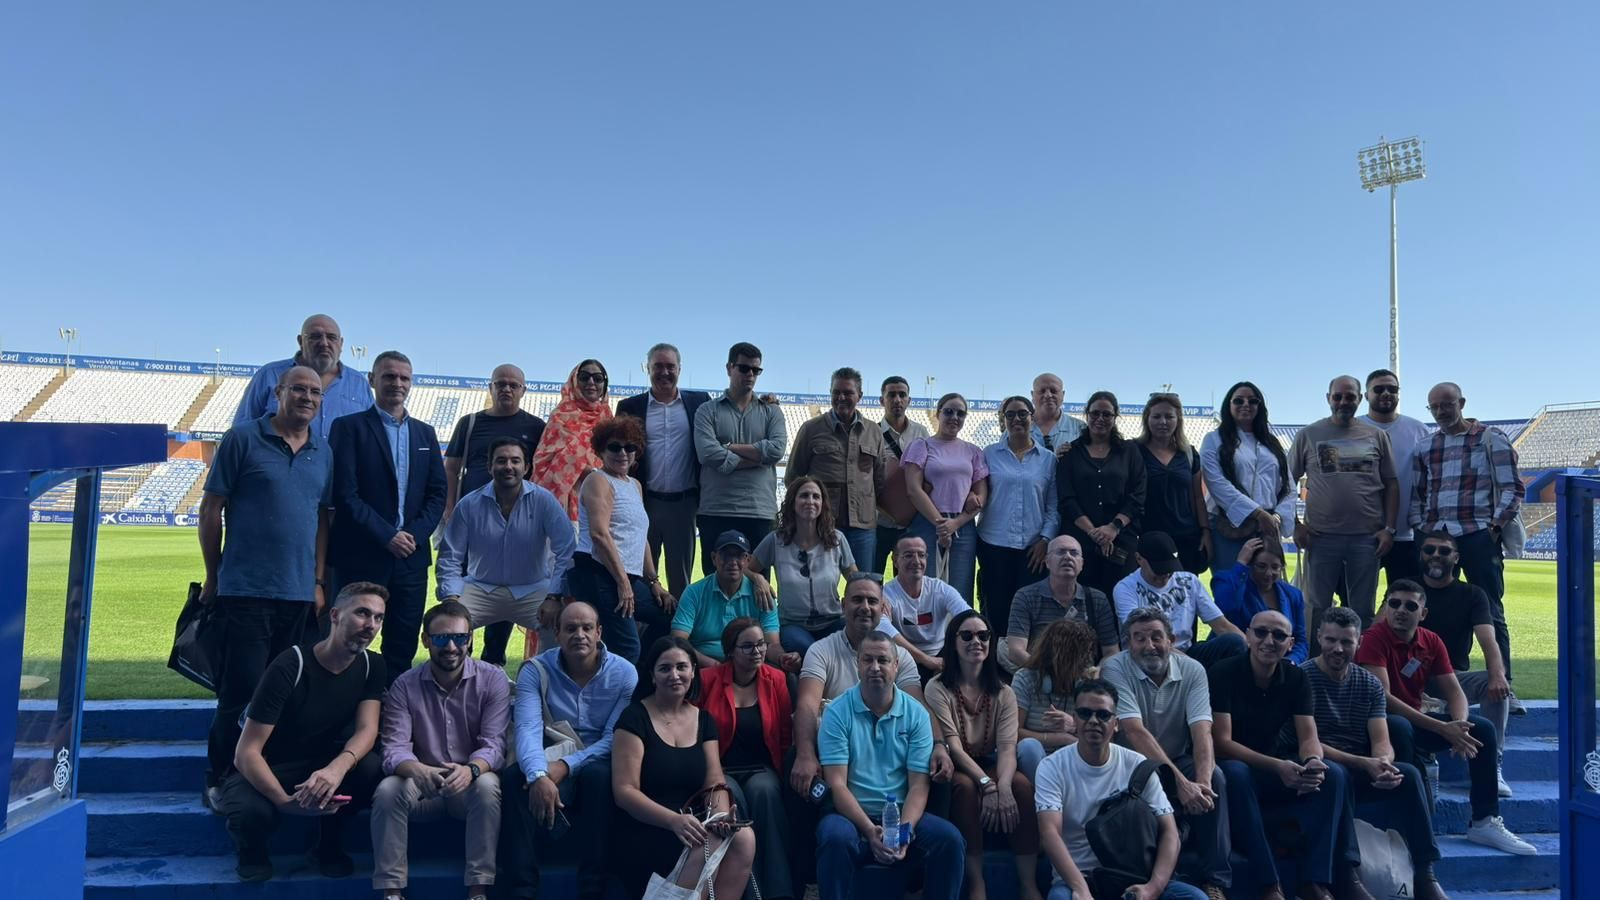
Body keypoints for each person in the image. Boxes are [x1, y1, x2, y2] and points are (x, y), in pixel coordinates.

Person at [199, 365, 335, 808]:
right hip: (245, 590)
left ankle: (262, 769)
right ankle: (219, 776)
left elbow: (320, 521)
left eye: (315, 391)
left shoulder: (323, 450)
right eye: (299, 389)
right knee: (241, 689)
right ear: (278, 392)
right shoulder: (242, 439)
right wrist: (214, 576)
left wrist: (317, 581)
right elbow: (211, 509)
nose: (307, 397)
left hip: (297, 595)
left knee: (282, 693)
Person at [217, 582, 388, 882]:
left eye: (378, 617)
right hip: (271, 764)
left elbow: (367, 730)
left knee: (371, 767)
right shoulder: (290, 665)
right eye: (362, 613)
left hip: (321, 764)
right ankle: (252, 849)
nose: (370, 625)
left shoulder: (371, 665)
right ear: (334, 615)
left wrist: (335, 770)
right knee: (252, 812)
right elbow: (247, 752)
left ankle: (327, 842)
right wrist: (285, 802)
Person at [1355, 580, 1536, 855]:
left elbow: (1455, 691)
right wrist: (1443, 727)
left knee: (1483, 729)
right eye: (1394, 604)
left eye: (1410, 605)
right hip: (1380, 726)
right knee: (1399, 726)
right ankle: (1404, 820)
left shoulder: (1430, 641)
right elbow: (1384, 701)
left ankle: (1484, 821)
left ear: (1423, 613)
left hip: (1420, 721)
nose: (1401, 610)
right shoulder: (1374, 639)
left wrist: (1460, 726)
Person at [1210, 610, 1364, 900]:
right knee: (1235, 772)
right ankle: (1269, 883)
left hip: (1273, 766)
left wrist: (1312, 762)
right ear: (1247, 635)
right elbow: (1221, 742)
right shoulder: (1224, 673)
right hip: (1235, 766)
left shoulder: (1295, 677)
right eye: (1261, 632)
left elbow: (1309, 737)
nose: (1269, 641)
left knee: (1334, 774)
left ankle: (1315, 880)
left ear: (1290, 643)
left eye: (1279, 635)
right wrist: (1279, 766)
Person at [1302, 607, 1447, 900]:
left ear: (1359, 642)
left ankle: (1424, 871)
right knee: (1336, 774)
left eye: (1347, 642)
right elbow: (1308, 742)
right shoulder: (1301, 679)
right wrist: (1364, 762)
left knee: (1408, 773)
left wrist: (1383, 762)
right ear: (1319, 637)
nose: (1338, 649)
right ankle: (1347, 874)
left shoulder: (1369, 684)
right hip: (1320, 766)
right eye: (1331, 640)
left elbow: (1381, 738)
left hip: (1360, 764)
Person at [371, 601, 508, 900]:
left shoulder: (492, 680)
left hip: (468, 786)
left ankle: (478, 889)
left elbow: (495, 744)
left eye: (459, 638)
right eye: (441, 638)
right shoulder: (404, 686)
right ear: (425, 640)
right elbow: (393, 748)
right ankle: (392, 892)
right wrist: (418, 770)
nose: (451, 647)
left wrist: (471, 770)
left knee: (488, 784)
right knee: (387, 790)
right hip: (423, 786)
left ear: (470, 639)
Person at [815, 630, 965, 900]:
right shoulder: (836, 712)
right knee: (834, 837)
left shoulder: (916, 713)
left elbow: (919, 785)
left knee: (950, 840)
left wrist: (903, 832)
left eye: (883, 660)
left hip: (899, 814)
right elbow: (836, 784)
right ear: (857, 665)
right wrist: (870, 831)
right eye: (867, 660)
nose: (875, 667)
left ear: (896, 666)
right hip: (851, 814)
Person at [502, 601, 637, 900]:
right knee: (514, 779)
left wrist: (566, 765)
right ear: (557, 633)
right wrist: (538, 775)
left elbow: (614, 738)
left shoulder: (625, 673)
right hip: (546, 755)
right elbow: (528, 729)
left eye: (587, 628)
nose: (580, 635)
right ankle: (521, 890)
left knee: (600, 777)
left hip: (595, 759)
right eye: (571, 628)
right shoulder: (535, 670)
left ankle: (592, 888)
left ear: (599, 631)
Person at [328, 350, 447, 684]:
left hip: (410, 559)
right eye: (389, 376)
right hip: (361, 556)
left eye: (404, 378)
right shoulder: (348, 428)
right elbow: (345, 493)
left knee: (401, 646)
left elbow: (438, 493)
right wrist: (386, 535)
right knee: (349, 641)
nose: (397, 383)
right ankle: (343, 719)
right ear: (372, 380)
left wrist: (412, 534)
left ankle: (391, 720)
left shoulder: (425, 433)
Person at [1034, 677, 1206, 900]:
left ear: (1116, 723)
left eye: (1103, 715)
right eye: (1085, 713)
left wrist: (1153, 888)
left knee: (1195, 898)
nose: (1094, 720)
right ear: (1074, 719)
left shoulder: (1138, 765)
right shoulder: (1052, 767)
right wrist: (1081, 890)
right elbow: (1050, 833)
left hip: (1135, 878)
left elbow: (1170, 831)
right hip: (1080, 879)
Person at [1101, 608, 1232, 899]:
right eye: (1140, 638)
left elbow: (1202, 731)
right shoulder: (1115, 669)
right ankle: (1166, 878)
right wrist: (1181, 784)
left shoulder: (1193, 670)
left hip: (1177, 756)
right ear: (1127, 644)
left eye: (1157, 637)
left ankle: (1216, 881)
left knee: (1218, 779)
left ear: (1171, 640)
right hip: (1131, 762)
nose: (1149, 645)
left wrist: (1203, 784)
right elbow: (1134, 731)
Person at [1411, 381, 1525, 713]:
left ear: (1461, 402)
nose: (1441, 411)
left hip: (1476, 533)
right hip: (1435, 534)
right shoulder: (1425, 447)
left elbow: (1512, 487)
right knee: (1427, 608)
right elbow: (1419, 493)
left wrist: (1495, 526)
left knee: (1490, 609)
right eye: (1435, 406)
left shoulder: (1490, 439)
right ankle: (1428, 684)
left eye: (1447, 404)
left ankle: (1504, 683)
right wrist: (1421, 526)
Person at [612, 636, 757, 898]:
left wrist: (721, 817)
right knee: (708, 842)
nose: (674, 675)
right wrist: (673, 821)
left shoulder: (704, 719)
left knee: (742, 836)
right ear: (652, 676)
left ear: (693, 671)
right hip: (650, 827)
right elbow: (625, 791)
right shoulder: (634, 718)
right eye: (665, 668)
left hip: (694, 823)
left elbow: (714, 780)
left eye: (682, 667)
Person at [790, 574, 951, 802]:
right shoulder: (821, 650)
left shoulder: (900, 656)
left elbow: (918, 705)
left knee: (939, 766)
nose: (865, 607)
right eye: (857, 600)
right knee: (795, 760)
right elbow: (807, 704)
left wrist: (939, 744)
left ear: (883, 608)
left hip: (890, 746)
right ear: (843, 605)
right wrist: (805, 754)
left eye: (872, 601)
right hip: (840, 747)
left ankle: (918, 829)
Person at [924, 611, 1043, 900]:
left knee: (1021, 787)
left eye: (983, 635)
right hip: (957, 762)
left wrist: (1001, 787)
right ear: (953, 642)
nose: (976, 641)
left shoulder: (1003, 691)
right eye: (967, 635)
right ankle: (977, 883)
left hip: (991, 761)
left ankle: (1028, 883)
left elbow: (1006, 747)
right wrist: (986, 785)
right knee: (964, 788)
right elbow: (952, 744)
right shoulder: (937, 687)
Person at [443, 363, 548, 667]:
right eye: (500, 383)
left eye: (513, 385)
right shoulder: (470, 422)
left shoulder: (535, 427)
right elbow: (452, 467)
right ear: (490, 388)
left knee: (505, 588)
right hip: (471, 522)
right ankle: (462, 661)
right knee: (464, 591)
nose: (506, 389)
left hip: (515, 525)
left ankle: (493, 662)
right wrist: (450, 507)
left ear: (523, 390)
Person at [435, 437, 575, 649]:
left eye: (515, 461)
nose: (508, 466)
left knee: (560, 626)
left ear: (526, 467)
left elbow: (565, 550)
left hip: (532, 589)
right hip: (480, 588)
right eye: (501, 461)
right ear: (489, 467)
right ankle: (459, 681)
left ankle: (545, 681)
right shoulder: (469, 505)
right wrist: (451, 599)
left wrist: (554, 596)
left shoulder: (544, 501)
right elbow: (450, 556)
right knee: (449, 627)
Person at [1289, 375, 1399, 632]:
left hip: (1366, 538)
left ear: (1360, 399)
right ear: (1328, 398)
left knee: (1361, 609)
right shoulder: (1309, 434)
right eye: (1337, 396)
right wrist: (1295, 524)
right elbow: (1285, 483)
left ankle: (1359, 665)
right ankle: (1314, 667)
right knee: (1317, 607)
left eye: (1350, 396)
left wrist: (1389, 529)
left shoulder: (1377, 436)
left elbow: (1392, 484)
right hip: (1321, 537)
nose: (1343, 402)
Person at [700, 618, 797, 900]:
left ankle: (780, 892)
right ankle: (751, 892)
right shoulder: (709, 680)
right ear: (730, 651)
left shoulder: (776, 679)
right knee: (734, 797)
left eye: (761, 644)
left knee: (765, 792)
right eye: (747, 646)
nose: (757, 651)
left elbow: (784, 733)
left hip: (762, 767)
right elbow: (696, 727)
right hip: (721, 767)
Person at [568, 416, 674, 663]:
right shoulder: (598, 480)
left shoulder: (634, 485)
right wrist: (623, 582)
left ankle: (642, 679)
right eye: (615, 447)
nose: (623, 453)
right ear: (601, 450)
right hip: (598, 572)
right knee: (627, 648)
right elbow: (600, 535)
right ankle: (618, 696)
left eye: (630, 447)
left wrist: (654, 582)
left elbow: (640, 537)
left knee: (671, 618)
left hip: (626, 576)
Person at [1415, 530, 1512, 795]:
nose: (1436, 556)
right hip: (1409, 680)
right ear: (1421, 554)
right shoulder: (1408, 590)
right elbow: (1380, 630)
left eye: (1444, 551)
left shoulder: (1472, 594)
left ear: (1456, 557)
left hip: (1452, 679)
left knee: (1497, 686)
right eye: (1430, 550)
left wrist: (1498, 674)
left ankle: (1493, 763)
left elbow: (1488, 639)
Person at [615, 343, 713, 598]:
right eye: (658, 366)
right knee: (638, 574)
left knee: (681, 579)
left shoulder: (700, 402)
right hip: (643, 502)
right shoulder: (630, 407)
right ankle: (641, 634)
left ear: (680, 369)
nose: (665, 372)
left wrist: (765, 402)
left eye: (670, 366)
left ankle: (678, 635)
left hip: (684, 504)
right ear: (647, 369)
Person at [694, 341, 788, 566]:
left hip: (760, 511)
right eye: (744, 368)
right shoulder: (708, 410)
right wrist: (756, 460)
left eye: (756, 370)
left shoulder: (771, 411)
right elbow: (707, 454)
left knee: (758, 588)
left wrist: (729, 447)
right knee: (714, 584)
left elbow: (776, 450)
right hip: (716, 509)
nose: (751, 375)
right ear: (729, 368)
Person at [976, 395, 1058, 648]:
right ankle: (994, 669)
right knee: (996, 609)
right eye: (1010, 414)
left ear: (1032, 417)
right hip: (994, 543)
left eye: (1022, 413)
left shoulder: (1048, 459)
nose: (1017, 419)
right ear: (1003, 419)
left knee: (1029, 612)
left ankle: (1026, 666)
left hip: (1033, 549)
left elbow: (1053, 506)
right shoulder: (988, 455)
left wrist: (1046, 539)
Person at [787, 366, 888, 567]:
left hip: (863, 527)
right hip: (822, 525)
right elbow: (793, 477)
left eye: (848, 392)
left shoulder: (874, 431)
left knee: (863, 584)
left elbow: (879, 479)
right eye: (836, 392)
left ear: (859, 395)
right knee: (819, 584)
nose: (841, 397)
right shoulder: (811, 429)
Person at [751, 475, 860, 654]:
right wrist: (757, 578)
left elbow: (856, 579)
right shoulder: (776, 541)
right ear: (793, 502)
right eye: (804, 496)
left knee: (856, 640)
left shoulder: (836, 540)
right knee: (809, 651)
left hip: (833, 620)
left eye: (816, 496)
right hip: (793, 624)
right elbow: (746, 568)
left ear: (822, 504)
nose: (810, 501)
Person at [1198, 381, 1295, 575]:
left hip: (1268, 527)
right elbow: (1217, 484)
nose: (1246, 405)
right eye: (1238, 400)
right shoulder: (1214, 439)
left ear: (1260, 406)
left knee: (1266, 590)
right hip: (1230, 527)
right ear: (1229, 405)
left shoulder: (1271, 443)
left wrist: (1276, 516)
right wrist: (1257, 513)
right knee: (1232, 588)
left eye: (1253, 400)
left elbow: (1290, 487)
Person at [1110, 532, 1245, 669]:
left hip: (1186, 652)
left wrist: (1252, 651)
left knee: (1234, 642)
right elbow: (1143, 635)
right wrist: (1192, 668)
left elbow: (1222, 626)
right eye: (1159, 570)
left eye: (1170, 569)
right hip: (1148, 654)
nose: (1165, 576)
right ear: (1139, 559)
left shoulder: (1189, 580)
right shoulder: (1125, 589)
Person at [902, 391, 989, 602]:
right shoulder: (921, 445)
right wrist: (941, 524)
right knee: (924, 587)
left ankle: (958, 633)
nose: (954, 417)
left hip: (963, 526)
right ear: (938, 414)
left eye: (960, 413)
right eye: (949, 412)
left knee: (960, 590)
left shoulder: (973, 451)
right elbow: (913, 489)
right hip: (927, 521)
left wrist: (955, 524)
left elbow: (981, 495)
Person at [1058, 390, 1145, 597]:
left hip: (1121, 541)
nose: (1100, 419)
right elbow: (1066, 499)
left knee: (1122, 603)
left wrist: (1113, 528)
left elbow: (1138, 495)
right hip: (1080, 541)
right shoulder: (1071, 452)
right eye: (1095, 413)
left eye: (1107, 414)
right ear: (1087, 414)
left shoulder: (1129, 451)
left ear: (1115, 417)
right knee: (1081, 603)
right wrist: (1094, 532)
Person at [232, 313, 373, 441]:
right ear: (300, 341)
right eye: (315, 336)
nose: (324, 343)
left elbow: (370, 435)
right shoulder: (269, 375)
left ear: (341, 344)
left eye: (331, 337)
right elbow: (240, 433)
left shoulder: (359, 383)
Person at [671, 531, 787, 668]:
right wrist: (712, 665)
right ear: (714, 558)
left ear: (748, 560)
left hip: (749, 664)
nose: (732, 562)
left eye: (739, 556)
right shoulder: (694, 592)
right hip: (704, 665)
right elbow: (678, 640)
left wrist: (783, 658)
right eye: (725, 555)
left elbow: (772, 644)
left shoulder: (763, 594)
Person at [1005, 535, 1121, 673]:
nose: (1067, 557)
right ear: (1047, 561)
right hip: (1039, 674)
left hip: (1083, 677)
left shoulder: (1097, 599)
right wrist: (1053, 675)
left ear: (1082, 563)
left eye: (1074, 553)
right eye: (1060, 552)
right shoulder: (1025, 596)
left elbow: (1112, 651)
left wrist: (1096, 672)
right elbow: (1015, 651)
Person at [1359, 369, 1432, 584]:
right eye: (1378, 389)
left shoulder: (1419, 429)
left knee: (1404, 599)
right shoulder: (1353, 428)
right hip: (1362, 533)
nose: (1386, 393)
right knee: (1355, 600)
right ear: (1366, 396)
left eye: (1392, 389)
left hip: (1406, 533)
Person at [1013, 618, 1096, 781]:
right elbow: (1013, 732)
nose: (1086, 659)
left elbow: (1101, 734)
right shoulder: (1025, 678)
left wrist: (1073, 725)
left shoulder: (1087, 682)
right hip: (1039, 757)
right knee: (1029, 746)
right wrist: (1061, 738)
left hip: (1075, 758)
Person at [1136, 393, 1210, 574]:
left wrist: (1205, 531)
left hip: (1186, 537)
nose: (1163, 421)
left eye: (1169, 416)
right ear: (1147, 419)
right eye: (1157, 416)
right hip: (1149, 537)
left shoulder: (1189, 453)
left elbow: (1198, 497)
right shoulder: (1133, 450)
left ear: (1178, 420)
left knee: (1185, 595)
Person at [531, 359, 613, 521]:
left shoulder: (608, 419)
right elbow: (543, 459)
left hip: (600, 501)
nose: (591, 382)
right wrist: (589, 471)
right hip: (562, 503)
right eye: (584, 377)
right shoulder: (560, 416)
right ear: (574, 380)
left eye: (597, 378)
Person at [883, 535, 973, 679]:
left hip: (941, 654)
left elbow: (968, 616)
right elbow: (884, 629)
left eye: (921, 555)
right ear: (895, 560)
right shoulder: (886, 595)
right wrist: (927, 660)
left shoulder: (939, 589)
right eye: (908, 555)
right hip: (905, 658)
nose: (916, 561)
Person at [1210, 537, 1308, 666]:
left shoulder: (1293, 595)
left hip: (1278, 664)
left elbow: (1300, 640)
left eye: (1275, 567)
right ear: (1249, 565)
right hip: (1235, 661)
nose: (1268, 573)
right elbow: (1227, 607)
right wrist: (1240, 564)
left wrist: (1291, 661)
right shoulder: (1227, 581)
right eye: (1261, 566)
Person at [872, 375, 931, 575]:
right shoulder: (872, 432)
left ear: (908, 400)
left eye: (902, 395)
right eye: (891, 395)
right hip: (879, 521)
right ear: (882, 400)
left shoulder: (921, 432)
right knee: (874, 578)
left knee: (909, 581)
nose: (897, 399)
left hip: (912, 522)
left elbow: (929, 473)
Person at [1029, 372, 1083, 456]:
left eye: (1053, 391)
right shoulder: (1016, 429)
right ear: (1032, 395)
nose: (1048, 395)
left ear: (1063, 395)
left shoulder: (1079, 428)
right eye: (1042, 391)